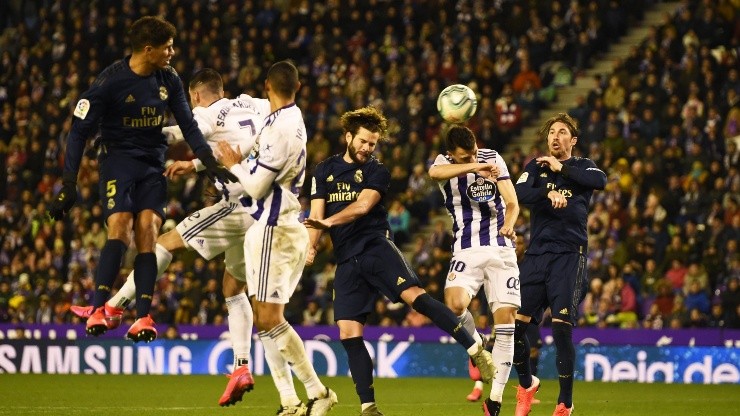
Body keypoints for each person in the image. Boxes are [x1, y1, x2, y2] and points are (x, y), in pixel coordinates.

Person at [68, 68, 273, 407]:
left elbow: (178, 134)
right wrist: (195, 166)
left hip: (239, 204)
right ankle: (241, 366)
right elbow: (248, 139)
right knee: (233, 289)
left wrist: (125, 132)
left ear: (194, 96)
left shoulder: (205, 114)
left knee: (165, 242)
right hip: (266, 207)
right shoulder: (253, 104)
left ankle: (113, 307)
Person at [46, 16, 235, 343]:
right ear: (148, 50)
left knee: (148, 230)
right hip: (117, 160)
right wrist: (69, 184)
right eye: (168, 47)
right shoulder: (109, 83)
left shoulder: (170, 79)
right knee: (119, 225)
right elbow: (78, 132)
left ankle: (144, 316)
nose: (173, 52)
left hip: (152, 162)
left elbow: (189, 125)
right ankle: (98, 308)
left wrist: (208, 161)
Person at [304, 106, 495, 416]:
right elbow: (315, 216)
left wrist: (327, 224)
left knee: (415, 298)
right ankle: (369, 407)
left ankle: (475, 349)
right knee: (348, 333)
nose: (368, 148)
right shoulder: (323, 170)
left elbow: (363, 206)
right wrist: (312, 246)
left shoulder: (377, 170)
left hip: (376, 246)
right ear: (348, 137)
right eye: (364, 141)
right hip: (346, 259)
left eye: (373, 143)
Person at [216, 60, 338, 416]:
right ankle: (288, 400)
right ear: (298, 87)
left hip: (276, 228)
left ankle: (318, 392)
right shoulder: (288, 119)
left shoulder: (280, 128)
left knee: (269, 318)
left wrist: (233, 166)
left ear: (266, 85)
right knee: (263, 316)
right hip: (271, 227)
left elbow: (255, 185)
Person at [512, 113, 606, 416]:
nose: (555, 136)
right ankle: (527, 384)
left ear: (573, 140)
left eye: (562, 132)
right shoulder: (535, 168)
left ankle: (565, 401)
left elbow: (600, 180)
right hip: (537, 255)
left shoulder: (581, 166)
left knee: (561, 328)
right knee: (515, 328)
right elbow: (518, 192)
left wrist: (561, 168)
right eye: (551, 131)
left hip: (569, 255)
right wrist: (546, 190)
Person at [428, 125, 520, 416]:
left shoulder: (492, 156)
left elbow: (512, 202)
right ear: (452, 156)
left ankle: (495, 400)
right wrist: (475, 167)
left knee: (506, 323)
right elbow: (434, 174)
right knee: (454, 306)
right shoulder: (444, 164)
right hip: (466, 249)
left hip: (501, 248)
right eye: (464, 157)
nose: (472, 157)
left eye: (474, 152)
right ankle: (478, 343)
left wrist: (510, 224)